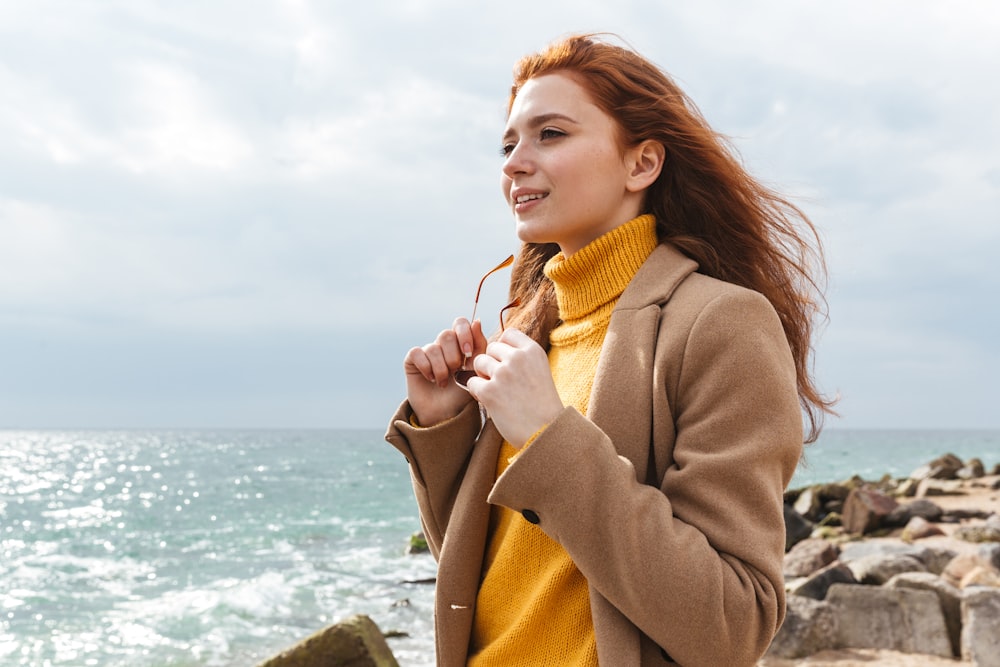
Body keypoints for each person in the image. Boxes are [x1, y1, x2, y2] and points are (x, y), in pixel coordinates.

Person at [385, 33, 835, 667]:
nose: (515, 162)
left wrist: (548, 435)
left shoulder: (721, 323)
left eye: (552, 134)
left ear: (641, 164)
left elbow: (733, 625)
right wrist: (444, 428)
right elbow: (500, 577)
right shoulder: (531, 332)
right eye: (508, 143)